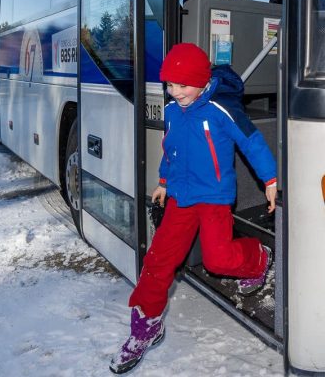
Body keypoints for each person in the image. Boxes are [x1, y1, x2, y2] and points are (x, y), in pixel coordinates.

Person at [110, 43, 277, 374]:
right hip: (181, 197)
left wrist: (270, 179)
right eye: (170, 85)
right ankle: (146, 325)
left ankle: (258, 257)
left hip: (214, 198)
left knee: (218, 260)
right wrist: (163, 181)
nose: (175, 92)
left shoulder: (220, 109)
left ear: (201, 81)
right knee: (158, 260)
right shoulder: (173, 112)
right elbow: (171, 149)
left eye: (182, 85)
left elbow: (251, 141)